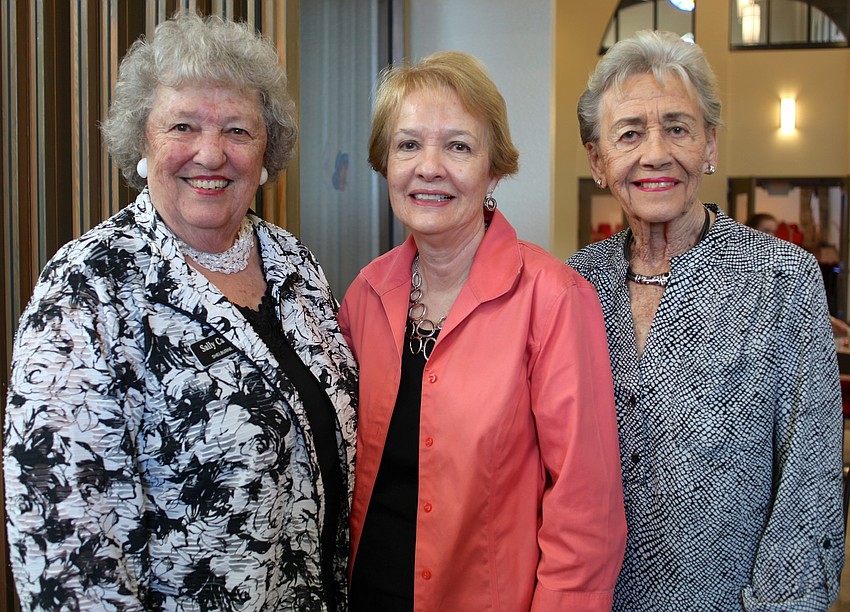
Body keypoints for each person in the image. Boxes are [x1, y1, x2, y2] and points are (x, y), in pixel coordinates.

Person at [3, 12, 357, 611]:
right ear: (142, 142)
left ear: (266, 148)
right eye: (183, 126)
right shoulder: (86, 287)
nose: (211, 153)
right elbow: (63, 554)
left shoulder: (294, 263)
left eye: (238, 130)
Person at [339, 50, 626, 611]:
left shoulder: (554, 299)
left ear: (494, 168)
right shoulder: (364, 296)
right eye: (408, 144)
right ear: (385, 162)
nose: (429, 167)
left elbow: (585, 510)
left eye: (458, 146)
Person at [568, 30, 845, 610]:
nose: (655, 154)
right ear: (598, 159)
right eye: (629, 134)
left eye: (678, 127)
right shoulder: (572, 285)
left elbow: (810, 488)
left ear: (710, 145)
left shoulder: (781, 278)